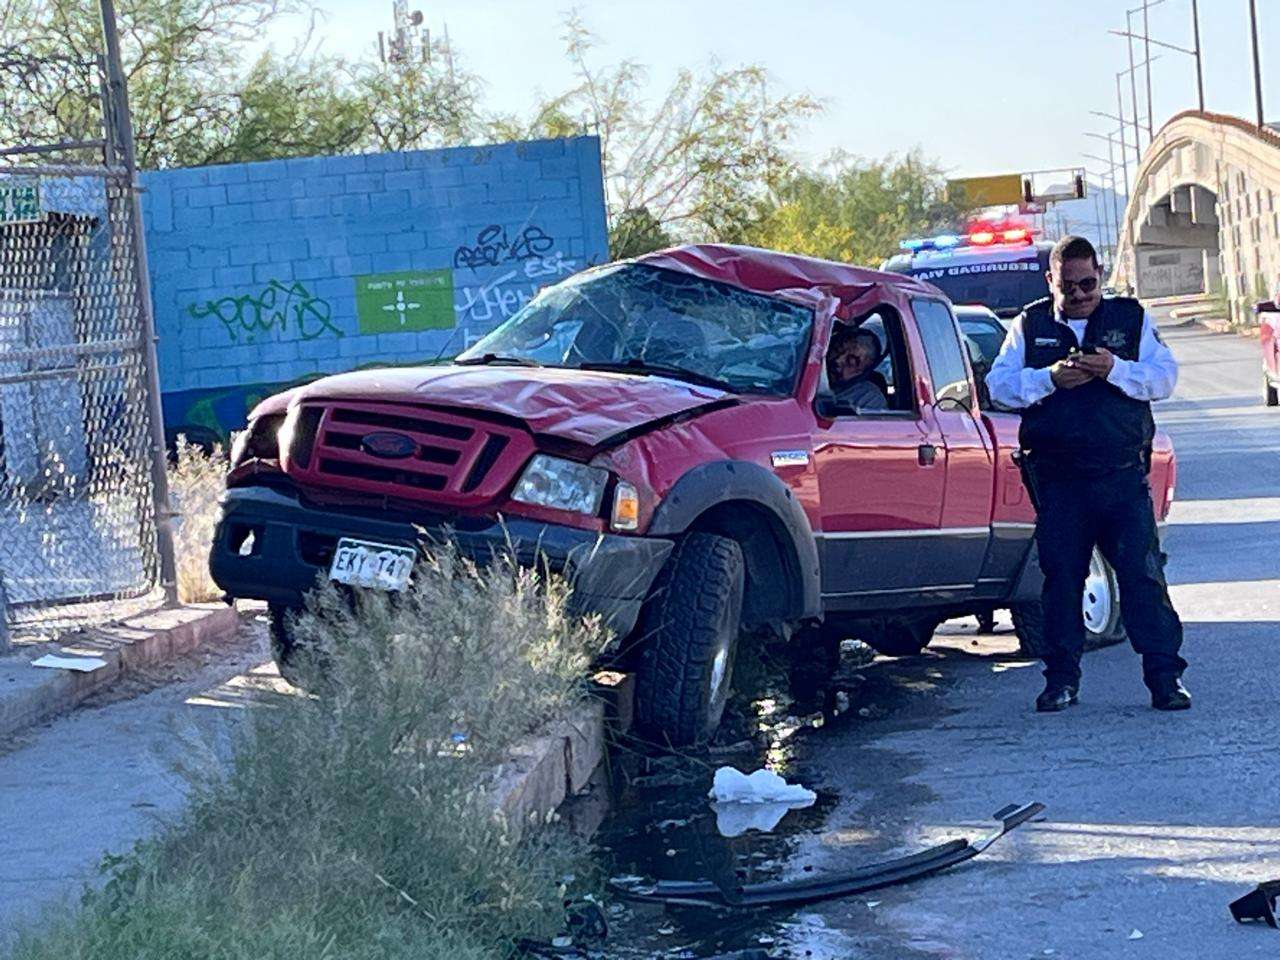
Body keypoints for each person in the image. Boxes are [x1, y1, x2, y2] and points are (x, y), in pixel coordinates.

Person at [985, 235, 1190, 713]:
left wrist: (1113, 369)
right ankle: (1061, 681)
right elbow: (999, 387)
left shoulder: (1129, 319)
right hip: (1060, 481)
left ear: (1100, 277)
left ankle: (1166, 680)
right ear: (1050, 282)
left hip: (1121, 476)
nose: (1079, 295)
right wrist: (1049, 379)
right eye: (1068, 286)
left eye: (1087, 284)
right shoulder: (1030, 325)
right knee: (1061, 583)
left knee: (1143, 578)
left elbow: (1164, 378)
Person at [827, 324, 888, 411]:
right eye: (837, 350)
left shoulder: (869, 398)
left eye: (851, 361)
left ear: (862, 372)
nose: (838, 360)